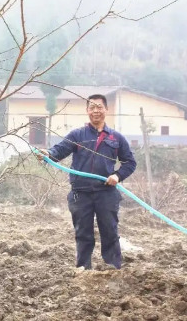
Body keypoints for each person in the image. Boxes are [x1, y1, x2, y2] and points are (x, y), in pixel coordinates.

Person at [36, 94, 136, 269]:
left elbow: (130, 162)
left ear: (106, 109)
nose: (95, 111)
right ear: (87, 111)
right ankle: (83, 268)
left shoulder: (116, 138)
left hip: (106, 192)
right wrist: (47, 154)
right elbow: (59, 150)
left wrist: (117, 176)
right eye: (92, 107)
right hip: (80, 193)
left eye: (99, 107)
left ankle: (113, 267)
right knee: (83, 233)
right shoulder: (77, 135)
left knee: (110, 231)